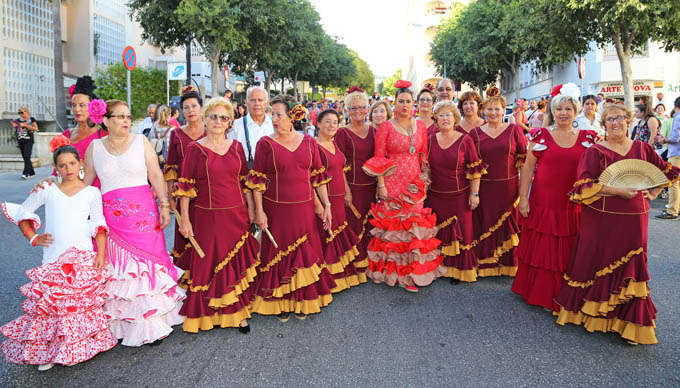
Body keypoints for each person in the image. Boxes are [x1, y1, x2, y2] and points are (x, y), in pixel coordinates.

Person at [554, 104, 679, 345]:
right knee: (597, 262)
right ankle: (597, 318)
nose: (615, 123)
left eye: (620, 118)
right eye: (610, 119)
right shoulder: (595, 152)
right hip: (602, 220)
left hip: (635, 221)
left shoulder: (643, 149)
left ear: (629, 120)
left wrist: (654, 190)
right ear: (603, 125)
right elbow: (581, 187)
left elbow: (667, 172)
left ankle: (629, 325)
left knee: (633, 269)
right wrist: (617, 190)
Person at [1, 136, 116, 370]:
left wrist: (101, 254)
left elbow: (98, 225)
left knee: (78, 305)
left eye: (72, 163)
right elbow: (23, 212)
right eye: (62, 165)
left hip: (83, 256)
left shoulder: (91, 193)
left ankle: (79, 346)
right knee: (53, 307)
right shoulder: (48, 189)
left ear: (80, 163)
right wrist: (33, 237)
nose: (68, 169)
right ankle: (49, 350)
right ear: (56, 168)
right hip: (53, 258)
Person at [85, 100, 185, 346]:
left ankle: (152, 323)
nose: (126, 120)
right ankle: (120, 324)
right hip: (111, 221)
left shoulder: (141, 142)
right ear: (106, 121)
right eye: (119, 116)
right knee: (120, 271)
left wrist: (164, 204)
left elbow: (155, 174)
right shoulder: (95, 147)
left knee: (145, 269)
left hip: (144, 217)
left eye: (128, 116)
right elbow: (85, 183)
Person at [174, 97, 259, 334]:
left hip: (236, 215)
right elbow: (185, 188)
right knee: (209, 265)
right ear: (205, 119)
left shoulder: (237, 147)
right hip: (207, 218)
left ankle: (237, 314)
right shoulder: (194, 149)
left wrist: (251, 210)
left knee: (233, 266)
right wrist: (186, 220)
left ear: (230, 122)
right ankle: (206, 317)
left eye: (224, 118)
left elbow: (244, 182)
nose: (218, 122)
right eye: (214, 117)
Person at [248, 94, 336, 321]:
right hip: (277, 213)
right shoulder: (265, 144)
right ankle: (282, 303)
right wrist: (259, 211)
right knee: (278, 256)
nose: (274, 118)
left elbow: (318, 177)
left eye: (279, 114)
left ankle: (302, 299)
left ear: (292, 116)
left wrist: (326, 205)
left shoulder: (309, 142)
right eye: (272, 114)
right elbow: (256, 182)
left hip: (305, 211)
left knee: (304, 256)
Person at [513, 86, 598, 312]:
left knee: (568, 248)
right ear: (552, 110)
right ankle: (539, 292)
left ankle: (566, 294)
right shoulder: (541, 135)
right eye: (559, 108)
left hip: (572, 203)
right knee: (543, 249)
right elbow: (528, 167)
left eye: (568, 109)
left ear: (576, 111)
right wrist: (523, 198)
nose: (563, 113)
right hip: (543, 202)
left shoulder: (587, 138)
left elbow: (596, 171)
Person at [362, 80, 445, 292]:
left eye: (408, 101)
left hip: (415, 182)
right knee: (394, 227)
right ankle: (394, 274)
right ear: (395, 103)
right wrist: (380, 184)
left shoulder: (421, 127)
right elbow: (378, 158)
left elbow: (423, 154)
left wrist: (425, 174)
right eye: (401, 101)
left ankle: (412, 274)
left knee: (414, 225)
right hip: (392, 179)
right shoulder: (386, 127)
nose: (405, 105)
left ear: (413, 103)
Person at [425, 101, 486, 283]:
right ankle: (438, 268)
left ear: (455, 118)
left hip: (459, 197)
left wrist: (474, 194)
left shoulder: (465, 140)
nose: (445, 119)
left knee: (462, 234)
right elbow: (426, 167)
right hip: (435, 197)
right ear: (436, 119)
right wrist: (424, 176)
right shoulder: (429, 140)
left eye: (448, 115)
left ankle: (458, 271)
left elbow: (475, 171)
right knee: (437, 234)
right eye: (441, 115)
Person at [470, 87, 527, 277]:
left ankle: (509, 266)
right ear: (483, 111)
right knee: (485, 224)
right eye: (489, 109)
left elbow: (523, 159)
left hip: (509, 188)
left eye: (497, 109)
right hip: (485, 189)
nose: (493, 113)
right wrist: (474, 192)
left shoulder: (514, 130)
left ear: (504, 110)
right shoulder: (475, 134)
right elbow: (472, 164)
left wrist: (523, 190)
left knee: (509, 226)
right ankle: (487, 266)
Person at [315, 109, 365, 291]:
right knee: (326, 237)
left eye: (335, 122)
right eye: (327, 121)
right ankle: (327, 280)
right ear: (318, 123)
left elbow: (341, 170)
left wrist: (347, 191)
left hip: (339, 199)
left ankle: (341, 277)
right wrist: (320, 204)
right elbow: (312, 178)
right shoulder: (313, 146)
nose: (331, 125)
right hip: (325, 200)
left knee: (338, 234)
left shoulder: (334, 144)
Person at [335, 88, 375, 277]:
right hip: (352, 186)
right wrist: (346, 190)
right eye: (353, 108)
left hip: (373, 186)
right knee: (354, 225)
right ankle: (354, 266)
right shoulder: (342, 133)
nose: (357, 111)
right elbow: (338, 164)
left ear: (367, 109)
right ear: (347, 110)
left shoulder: (374, 130)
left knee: (371, 225)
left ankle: (370, 263)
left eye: (361, 107)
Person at [164, 86, 205, 265]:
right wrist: (170, 194)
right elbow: (171, 166)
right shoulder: (176, 134)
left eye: (194, 106)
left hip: (209, 190)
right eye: (186, 107)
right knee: (186, 231)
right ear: (181, 111)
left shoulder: (212, 130)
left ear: (201, 108)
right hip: (183, 193)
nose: (190, 110)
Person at [63, 76, 108, 189]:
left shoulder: (104, 135)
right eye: (74, 105)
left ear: (92, 106)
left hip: (97, 194)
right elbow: (57, 169)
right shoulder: (65, 136)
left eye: (82, 105)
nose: (77, 109)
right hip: (70, 193)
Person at [228, 86, 274, 168]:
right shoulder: (237, 125)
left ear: (266, 103)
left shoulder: (274, 124)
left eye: (260, 100)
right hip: (246, 175)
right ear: (246, 102)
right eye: (252, 100)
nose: (257, 104)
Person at [655, 96, 680, 220]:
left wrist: (664, 139)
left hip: (676, 153)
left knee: (674, 183)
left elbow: (675, 138)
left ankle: (672, 211)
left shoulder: (678, 116)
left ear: (675, 106)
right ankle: (676, 208)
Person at [14, 106, 38, 179]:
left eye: (21, 112)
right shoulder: (18, 120)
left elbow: (36, 128)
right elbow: (17, 128)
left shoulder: (31, 119)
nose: (20, 114)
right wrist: (17, 125)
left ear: (26, 112)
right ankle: (32, 172)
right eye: (19, 113)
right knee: (25, 157)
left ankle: (25, 173)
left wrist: (25, 125)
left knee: (27, 156)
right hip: (21, 140)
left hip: (29, 140)